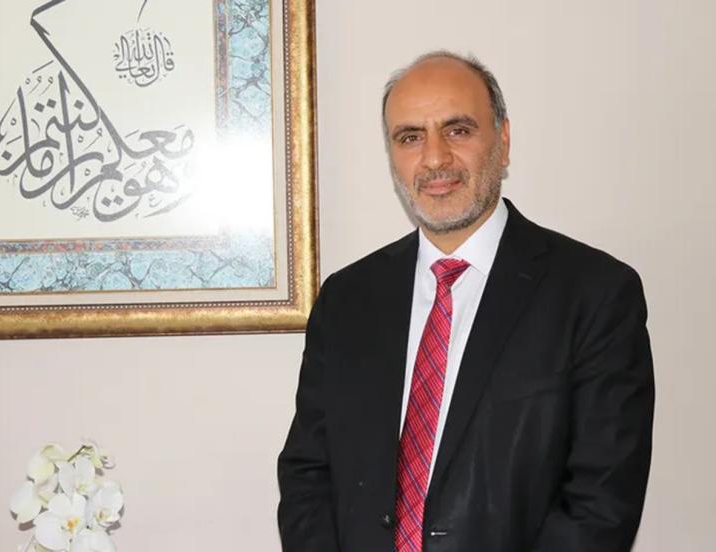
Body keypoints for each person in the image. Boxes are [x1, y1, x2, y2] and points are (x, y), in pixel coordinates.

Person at [277, 50, 654, 552]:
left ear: (503, 140)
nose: (435, 158)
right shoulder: (346, 300)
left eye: (457, 130)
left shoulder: (594, 294)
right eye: (410, 137)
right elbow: (308, 475)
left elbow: (601, 503)